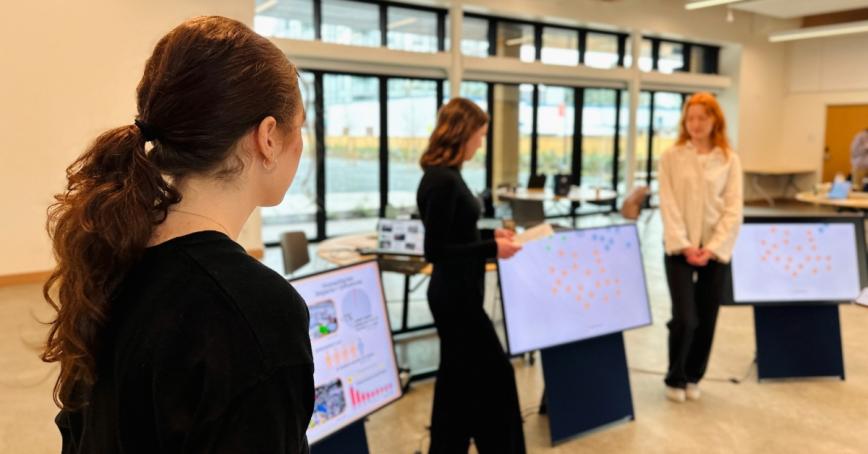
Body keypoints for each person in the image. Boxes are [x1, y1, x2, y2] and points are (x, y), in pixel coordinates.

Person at [41, 17, 314, 453]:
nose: (301, 142)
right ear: (266, 137)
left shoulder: (111, 256)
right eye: (298, 125)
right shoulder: (256, 311)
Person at [416, 98, 526, 453]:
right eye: (479, 135)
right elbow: (435, 250)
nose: (481, 143)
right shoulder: (442, 180)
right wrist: (491, 249)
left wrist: (488, 237)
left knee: (457, 378)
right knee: (496, 374)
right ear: (462, 134)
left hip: (460, 290)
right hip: (454, 297)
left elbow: (456, 234)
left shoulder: (449, 175)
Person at [658, 92, 743, 403]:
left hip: (715, 251)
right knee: (685, 317)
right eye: (690, 118)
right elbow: (668, 204)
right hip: (679, 249)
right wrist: (684, 245)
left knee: (707, 318)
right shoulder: (671, 157)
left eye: (702, 118)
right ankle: (675, 376)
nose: (695, 124)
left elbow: (733, 208)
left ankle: (694, 375)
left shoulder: (729, 159)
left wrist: (713, 247)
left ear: (714, 121)